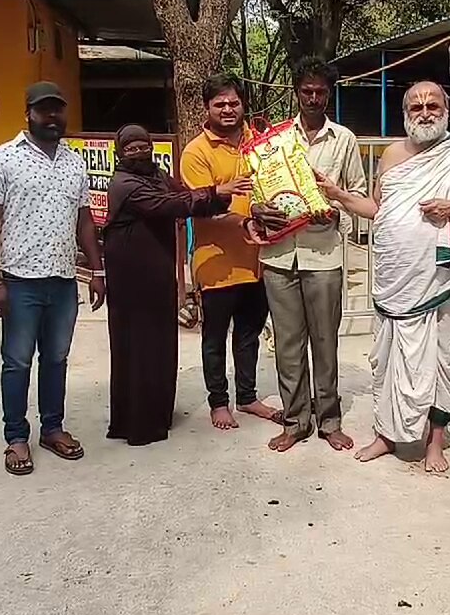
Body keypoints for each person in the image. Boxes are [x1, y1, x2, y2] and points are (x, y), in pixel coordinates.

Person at [322, 81, 450, 472]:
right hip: (393, 275)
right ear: (405, 112)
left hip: (436, 278)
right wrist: (338, 194)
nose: (425, 111)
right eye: (416, 105)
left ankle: (435, 442)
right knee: (387, 358)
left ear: (446, 110)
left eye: (433, 104)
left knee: (437, 359)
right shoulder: (390, 155)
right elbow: (376, 208)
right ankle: (386, 435)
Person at [0, 81, 106, 476]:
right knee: (16, 362)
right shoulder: (1, 159)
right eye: (43, 110)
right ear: (28, 113)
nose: (52, 117)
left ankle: (53, 428)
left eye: (57, 110)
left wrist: (97, 271)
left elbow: (85, 221)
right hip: (19, 281)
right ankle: (16, 437)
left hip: (63, 281)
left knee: (57, 359)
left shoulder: (74, 162)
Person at [104, 124, 252, 446]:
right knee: (137, 345)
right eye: (131, 149)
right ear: (120, 152)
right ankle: (136, 424)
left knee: (160, 343)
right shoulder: (124, 183)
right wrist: (218, 192)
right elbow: (168, 205)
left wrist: (216, 197)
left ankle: (158, 414)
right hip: (130, 276)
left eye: (144, 146)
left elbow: (182, 195)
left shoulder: (157, 175)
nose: (139, 153)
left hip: (157, 271)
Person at [247, 57, 366, 453]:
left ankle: (329, 420)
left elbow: (359, 195)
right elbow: (255, 190)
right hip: (280, 254)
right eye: (306, 91)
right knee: (287, 343)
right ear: (295, 92)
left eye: (320, 92)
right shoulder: (275, 141)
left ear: (329, 94)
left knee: (324, 341)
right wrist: (256, 210)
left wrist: (335, 201)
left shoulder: (344, 140)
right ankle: (296, 420)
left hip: (324, 254)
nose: (313, 98)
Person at [180, 74, 284, 431]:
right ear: (207, 108)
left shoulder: (260, 143)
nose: (227, 109)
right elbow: (202, 206)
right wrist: (243, 221)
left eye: (233, 102)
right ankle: (218, 402)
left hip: (258, 260)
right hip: (216, 262)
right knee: (214, 337)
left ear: (243, 105)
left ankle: (248, 396)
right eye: (220, 104)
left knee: (249, 334)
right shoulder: (196, 152)